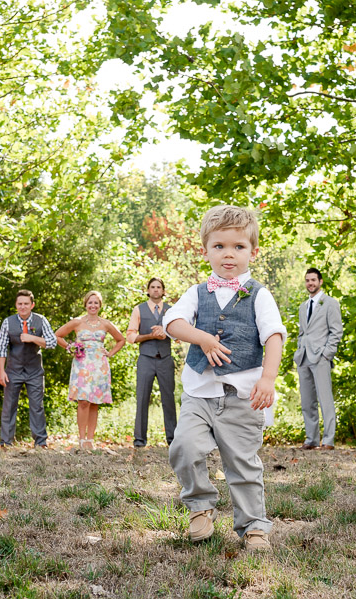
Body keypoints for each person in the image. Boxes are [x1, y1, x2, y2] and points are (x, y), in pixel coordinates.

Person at [163, 205, 285, 552]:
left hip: (243, 395)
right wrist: (201, 337)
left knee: (242, 464)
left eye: (238, 247)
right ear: (206, 250)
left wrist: (268, 378)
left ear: (253, 251)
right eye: (219, 246)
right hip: (200, 393)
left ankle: (254, 527)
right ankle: (200, 506)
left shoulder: (259, 294)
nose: (228, 254)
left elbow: (273, 336)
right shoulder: (197, 292)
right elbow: (174, 323)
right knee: (184, 447)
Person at [55, 290, 126, 450]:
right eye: (90, 302)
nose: (93, 305)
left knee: (95, 402)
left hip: (100, 365)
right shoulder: (77, 322)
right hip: (82, 364)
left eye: (96, 303)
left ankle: (90, 440)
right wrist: (70, 347)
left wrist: (110, 353)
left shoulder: (105, 324)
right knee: (84, 401)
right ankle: (81, 440)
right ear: (85, 304)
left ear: (100, 305)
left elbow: (121, 340)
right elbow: (58, 335)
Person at [0, 290, 57, 449]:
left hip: (35, 371)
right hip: (13, 370)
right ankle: (6, 442)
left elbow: (52, 342)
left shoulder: (40, 320)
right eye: (20, 304)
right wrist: (1, 371)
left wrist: (33, 338)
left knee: (37, 406)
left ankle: (40, 442)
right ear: (16, 305)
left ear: (32, 305)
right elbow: (1, 348)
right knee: (9, 406)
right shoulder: (8, 322)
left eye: (26, 304)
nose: (23, 307)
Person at [294, 267, 343, 450]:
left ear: (320, 282)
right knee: (307, 401)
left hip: (321, 357)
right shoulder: (303, 306)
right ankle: (311, 439)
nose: (310, 283)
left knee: (325, 400)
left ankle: (328, 440)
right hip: (304, 357)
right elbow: (302, 333)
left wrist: (326, 354)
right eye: (307, 280)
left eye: (313, 280)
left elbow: (336, 331)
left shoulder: (330, 303)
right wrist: (300, 349)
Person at [126, 277, 177, 447]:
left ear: (163, 291)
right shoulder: (138, 309)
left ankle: (172, 439)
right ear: (148, 290)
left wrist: (166, 332)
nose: (156, 290)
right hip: (146, 360)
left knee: (168, 399)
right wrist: (150, 336)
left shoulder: (171, 311)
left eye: (159, 287)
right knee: (142, 399)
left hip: (165, 359)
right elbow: (131, 336)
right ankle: (139, 440)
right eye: (153, 287)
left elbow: (179, 335)